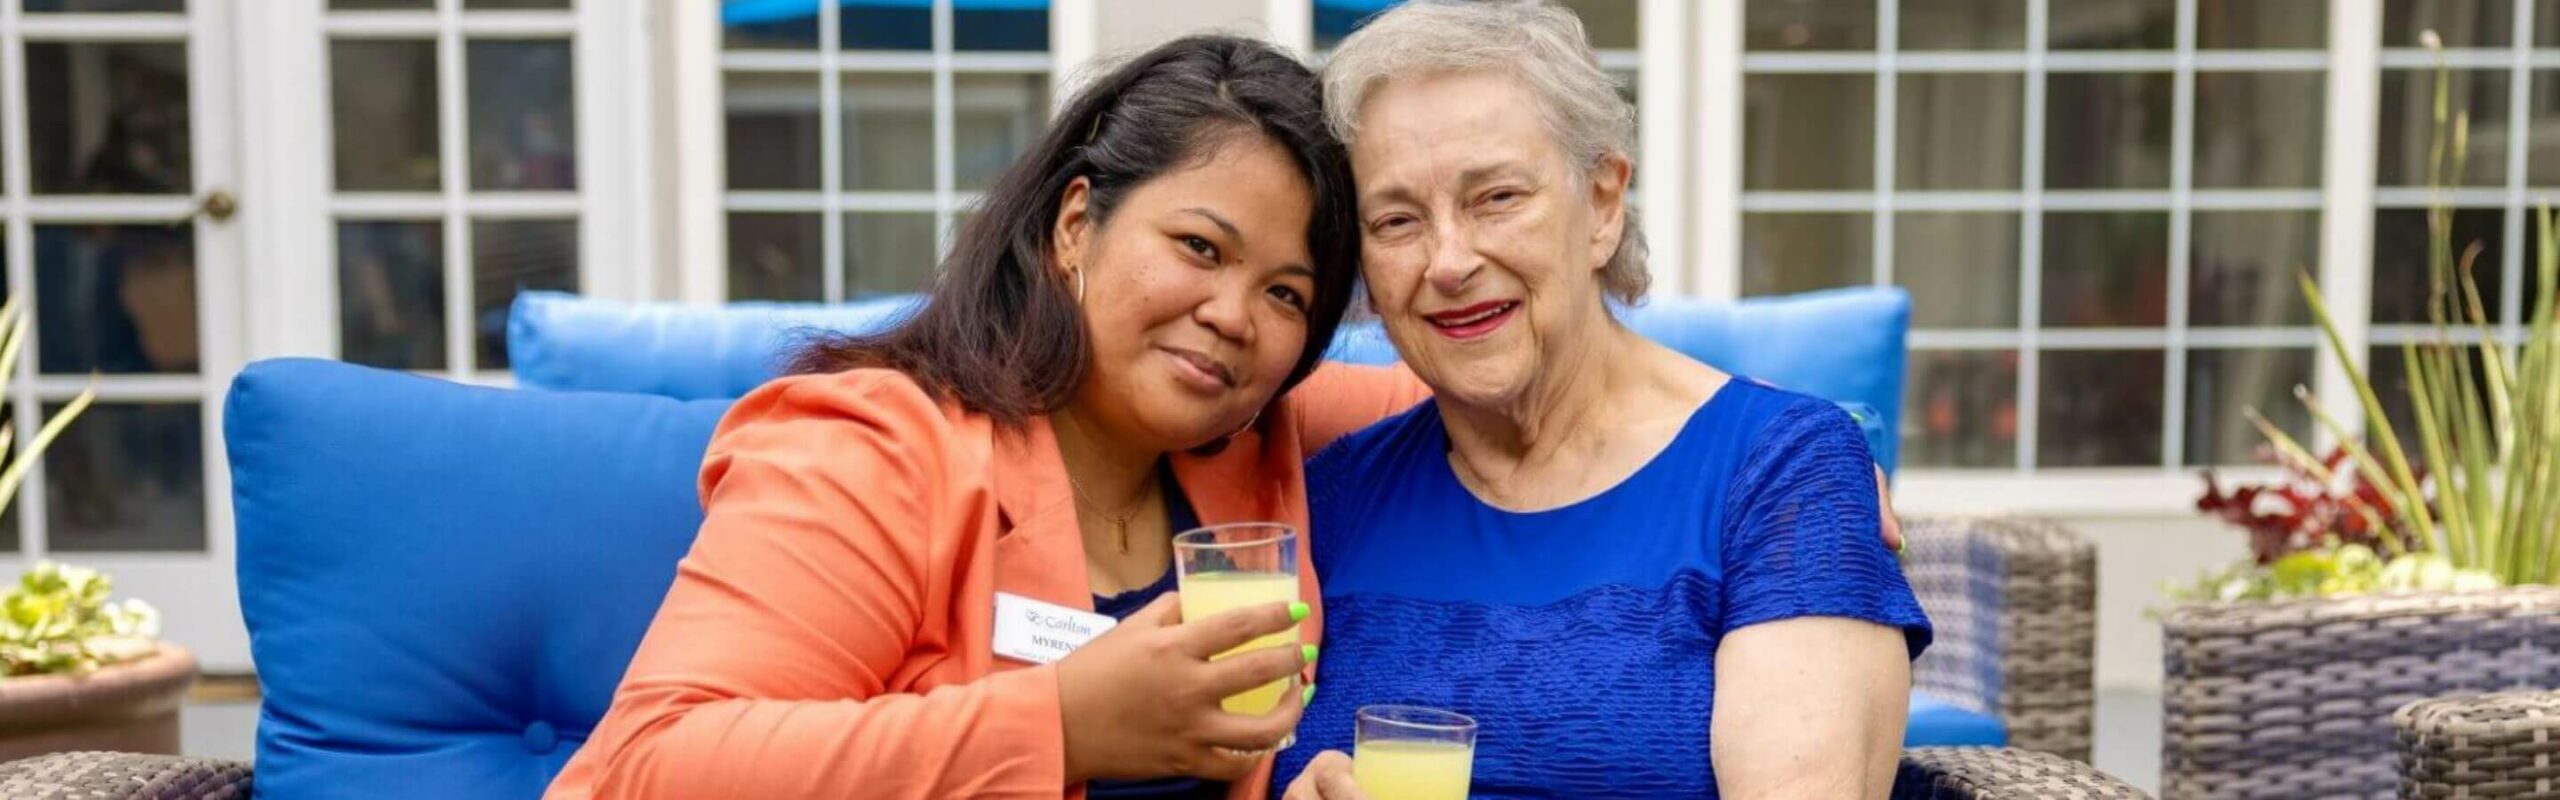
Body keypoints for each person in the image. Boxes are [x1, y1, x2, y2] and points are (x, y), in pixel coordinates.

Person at [547, 35, 1408, 800]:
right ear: (1076, 225)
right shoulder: (874, 448)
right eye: (1199, 248)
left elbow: (1495, 392)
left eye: (1285, 293)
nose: (1233, 314)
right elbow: (654, 764)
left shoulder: (1273, 431)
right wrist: (1062, 725)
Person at [1276, 2, 1931, 797]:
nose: (1448, 261)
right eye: (1397, 219)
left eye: (1496, 198)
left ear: (1602, 203)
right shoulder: (1328, 490)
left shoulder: (1779, 475)